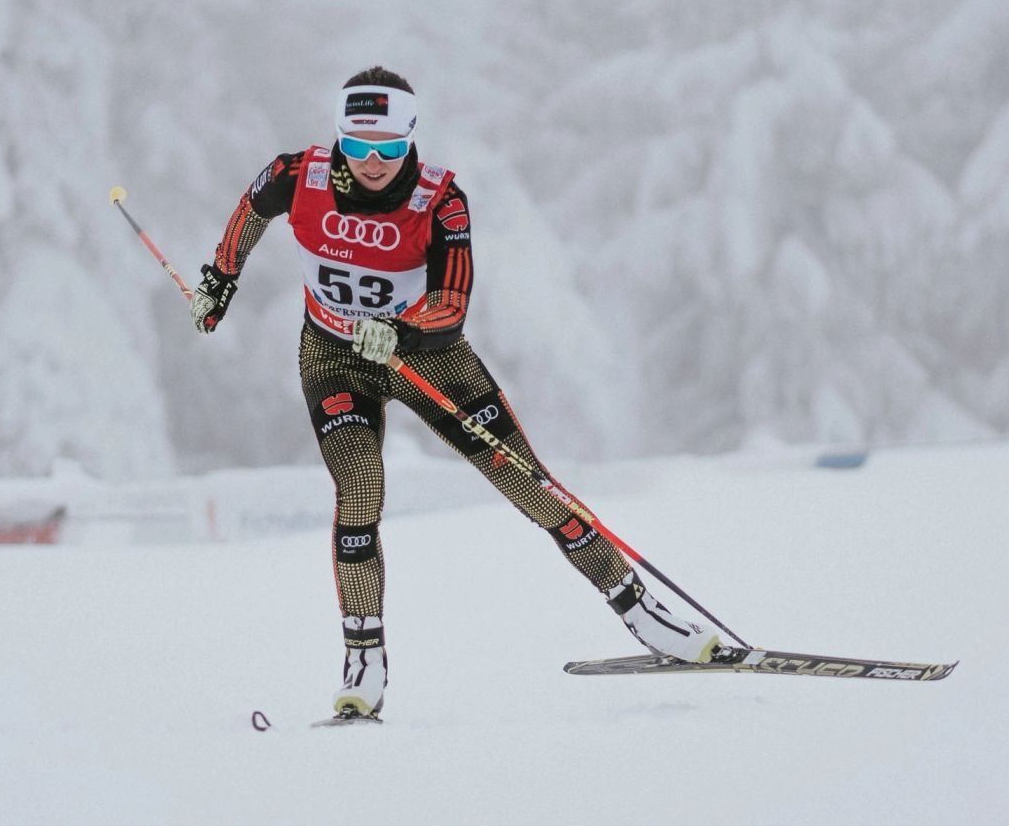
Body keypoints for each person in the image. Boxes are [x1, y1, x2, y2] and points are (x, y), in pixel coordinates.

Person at [190, 66, 721, 719]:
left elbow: (452, 302)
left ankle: (643, 612)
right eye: (358, 146)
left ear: (411, 136)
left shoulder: (439, 201)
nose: (374, 161)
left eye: (389, 146)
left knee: (530, 483)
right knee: (359, 485)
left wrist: (401, 327)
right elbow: (250, 209)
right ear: (340, 139)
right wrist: (221, 277)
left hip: (430, 358)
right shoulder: (298, 177)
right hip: (335, 356)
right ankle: (365, 661)